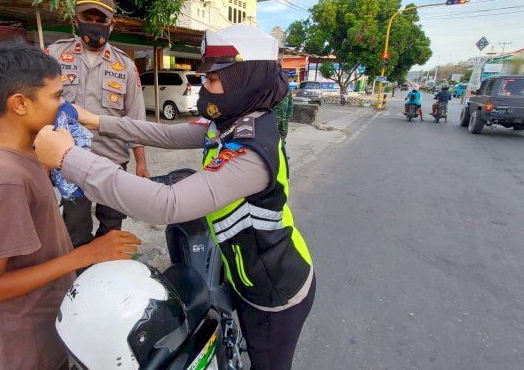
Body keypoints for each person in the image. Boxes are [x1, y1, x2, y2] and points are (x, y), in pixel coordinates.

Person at [34, 25, 315, 370]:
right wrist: (95, 120)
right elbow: (165, 133)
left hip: (274, 291)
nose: (203, 89)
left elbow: (167, 203)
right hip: (244, 270)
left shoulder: (252, 152)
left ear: (246, 79)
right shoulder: (231, 120)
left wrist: (69, 159)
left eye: (212, 81)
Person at [0, 39, 141, 370]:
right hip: (25, 345)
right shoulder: (2, 179)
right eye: (57, 96)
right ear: (20, 103)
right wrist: (87, 254)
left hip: (48, 323)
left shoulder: (25, 154)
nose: (65, 105)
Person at [45, 0, 149, 248]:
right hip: (70, 158)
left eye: (100, 20)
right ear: (76, 20)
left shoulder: (124, 65)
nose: (93, 25)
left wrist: (141, 164)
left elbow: (135, 117)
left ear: (111, 25)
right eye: (87, 18)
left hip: (112, 160)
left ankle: (107, 273)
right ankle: (79, 275)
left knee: (112, 224)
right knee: (75, 226)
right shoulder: (56, 55)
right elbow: (41, 106)